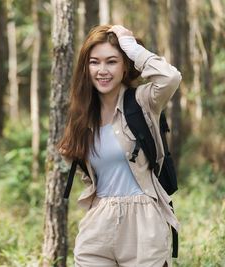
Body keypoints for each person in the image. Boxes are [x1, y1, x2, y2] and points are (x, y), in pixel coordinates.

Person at [58, 25, 182, 267]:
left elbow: (171, 77)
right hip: (98, 226)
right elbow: (82, 166)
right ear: (87, 67)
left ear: (125, 65)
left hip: (144, 224)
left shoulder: (143, 101)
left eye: (111, 62)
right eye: (94, 62)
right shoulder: (82, 115)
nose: (102, 70)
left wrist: (132, 47)